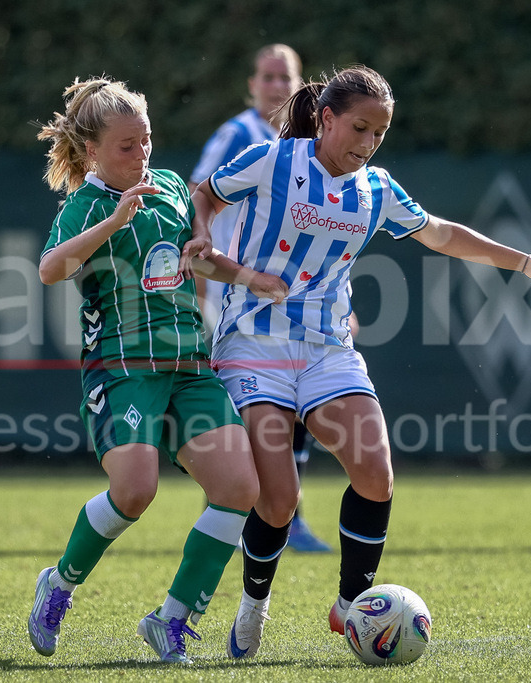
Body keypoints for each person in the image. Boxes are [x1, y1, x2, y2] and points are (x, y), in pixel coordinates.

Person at [188, 65, 531, 658]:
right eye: (359, 128)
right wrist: (202, 235)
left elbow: (442, 234)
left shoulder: (376, 188)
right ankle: (253, 606)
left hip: (327, 349)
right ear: (325, 118)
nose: (368, 143)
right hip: (254, 343)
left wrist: (529, 264)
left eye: (379, 133)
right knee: (276, 500)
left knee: (375, 472)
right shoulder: (272, 160)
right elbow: (205, 195)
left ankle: (352, 605)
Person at [27, 76, 287, 664]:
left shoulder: (169, 185)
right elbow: (50, 269)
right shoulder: (86, 207)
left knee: (238, 489)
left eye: (145, 140)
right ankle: (60, 584)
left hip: (190, 365)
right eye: (126, 145)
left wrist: (248, 276)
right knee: (136, 490)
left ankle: (171, 620)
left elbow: (197, 253)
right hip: (123, 369)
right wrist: (114, 222)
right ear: (91, 151)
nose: (141, 153)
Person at [190, 43, 333, 553]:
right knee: (259, 406)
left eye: (285, 77)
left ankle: (275, 513)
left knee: (296, 403)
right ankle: (240, 506)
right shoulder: (239, 135)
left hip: (294, 299)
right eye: (267, 77)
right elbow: (197, 193)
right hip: (239, 293)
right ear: (252, 85)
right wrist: (206, 275)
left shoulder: (317, 145)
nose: (276, 86)